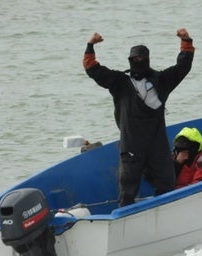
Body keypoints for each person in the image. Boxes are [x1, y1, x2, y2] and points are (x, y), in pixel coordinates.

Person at [83, 28, 195, 206]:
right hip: (131, 143)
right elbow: (93, 69)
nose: (139, 61)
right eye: (135, 59)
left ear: (148, 60)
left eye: (142, 59)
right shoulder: (119, 82)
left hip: (156, 142)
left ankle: (164, 211)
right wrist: (90, 44)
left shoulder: (161, 80)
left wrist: (186, 40)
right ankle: (124, 216)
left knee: (166, 181)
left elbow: (183, 67)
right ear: (130, 60)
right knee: (127, 188)